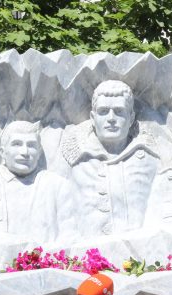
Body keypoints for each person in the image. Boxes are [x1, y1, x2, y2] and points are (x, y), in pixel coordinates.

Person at [59, 80, 161, 237]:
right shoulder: (73, 159)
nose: (111, 118)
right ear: (93, 118)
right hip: (83, 254)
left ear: (131, 117)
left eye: (119, 111)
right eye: (103, 111)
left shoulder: (150, 159)